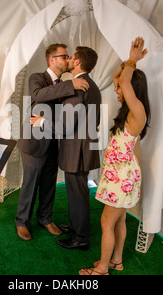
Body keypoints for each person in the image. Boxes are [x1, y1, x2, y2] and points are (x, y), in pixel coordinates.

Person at [79, 37, 150, 275]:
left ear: (132, 89)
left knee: (106, 223)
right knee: (119, 220)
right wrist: (127, 64)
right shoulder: (129, 112)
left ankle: (101, 269)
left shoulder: (138, 111)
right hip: (120, 176)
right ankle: (116, 261)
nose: (116, 90)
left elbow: (124, 82)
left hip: (122, 178)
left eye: (120, 88)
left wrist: (132, 60)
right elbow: (116, 78)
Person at [15, 43, 90, 241]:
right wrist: (70, 85)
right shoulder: (37, 78)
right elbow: (38, 95)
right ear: (52, 59)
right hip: (34, 142)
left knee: (49, 184)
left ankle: (45, 218)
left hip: (55, 142)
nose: (68, 60)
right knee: (30, 184)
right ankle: (21, 221)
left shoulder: (67, 83)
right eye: (64, 56)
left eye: (68, 56)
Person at [33, 46, 102, 250]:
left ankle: (81, 239)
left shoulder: (78, 87)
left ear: (78, 62)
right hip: (83, 150)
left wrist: (41, 122)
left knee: (78, 196)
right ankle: (75, 227)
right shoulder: (91, 85)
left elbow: (64, 127)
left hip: (77, 153)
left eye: (71, 57)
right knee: (76, 195)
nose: (69, 59)